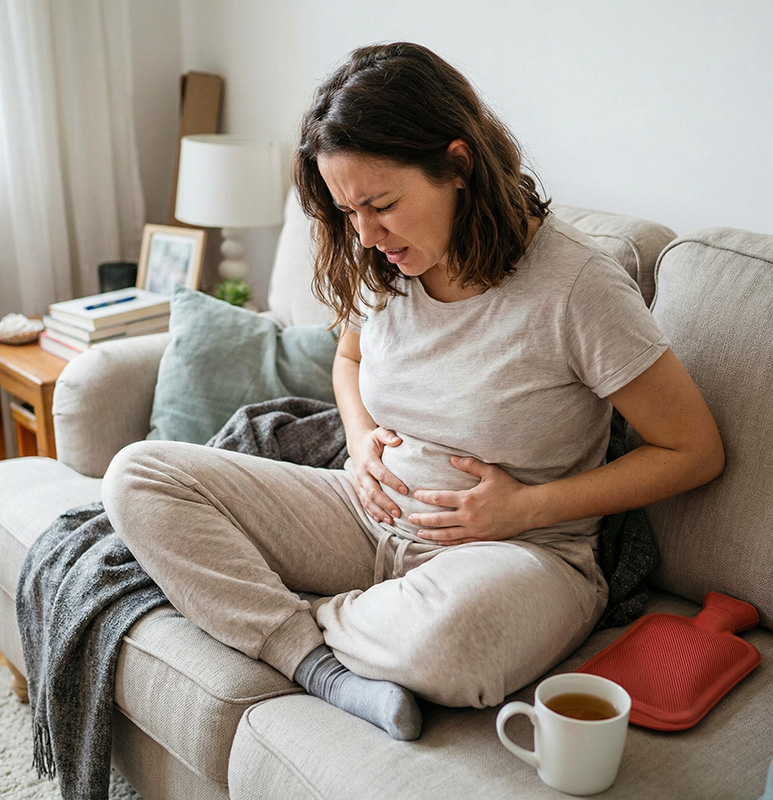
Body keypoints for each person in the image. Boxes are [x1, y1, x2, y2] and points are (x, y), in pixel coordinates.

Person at [103, 42, 724, 742]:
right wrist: (361, 436)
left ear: (457, 164)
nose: (366, 235)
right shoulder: (387, 265)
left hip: (518, 558)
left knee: (455, 646)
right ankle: (312, 657)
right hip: (364, 517)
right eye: (346, 212)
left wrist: (525, 507)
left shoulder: (578, 286)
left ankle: (293, 614)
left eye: (381, 204)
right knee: (137, 476)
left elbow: (693, 450)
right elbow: (348, 357)